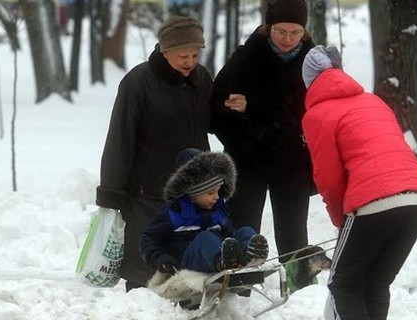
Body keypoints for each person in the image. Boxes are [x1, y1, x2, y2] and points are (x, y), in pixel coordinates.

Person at [300, 45, 417, 320]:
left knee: (343, 283)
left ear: (309, 82)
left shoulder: (317, 115)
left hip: (374, 202)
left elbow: (328, 177)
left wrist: (341, 219)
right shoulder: (373, 101)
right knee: (376, 282)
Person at [95, 16, 213, 292]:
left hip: (191, 194)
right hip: (146, 194)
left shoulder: (202, 79)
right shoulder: (138, 82)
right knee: (144, 273)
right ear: (165, 51)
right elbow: (119, 140)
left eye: (195, 54)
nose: (189, 61)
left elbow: (214, 121)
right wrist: (112, 191)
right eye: (182, 55)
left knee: (185, 273)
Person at [210, 0, 315, 266]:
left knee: (293, 233)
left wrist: (252, 106)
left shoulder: (314, 62)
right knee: (242, 230)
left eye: (295, 32)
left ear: (304, 31)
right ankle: (238, 287)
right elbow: (215, 106)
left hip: (293, 160)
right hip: (248, 160)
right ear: (269, 28)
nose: (288, 39)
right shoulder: (247, 57)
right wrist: (240, 141)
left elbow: (311, 115)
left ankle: (297, 286)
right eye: (281, 31)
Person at [140, 148, 269, 275]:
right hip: (188, 261)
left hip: (218, 251)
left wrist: (240, 242)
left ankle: (250, 256)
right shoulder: (172, 212)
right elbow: (149, 238)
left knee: (245, 231)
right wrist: (159, 258)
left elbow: (229, 235)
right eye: (210, 192)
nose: (217, 197)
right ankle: (223, 261)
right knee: (205, 238)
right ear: (192, 192)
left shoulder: (217, 210)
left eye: (218, 191)